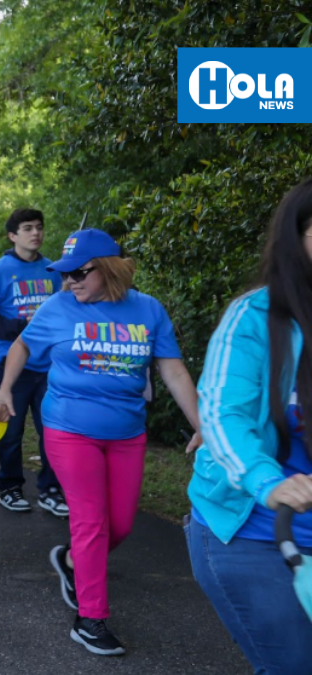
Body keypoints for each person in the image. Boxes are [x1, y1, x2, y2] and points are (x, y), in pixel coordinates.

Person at [0, 228, 200, 657]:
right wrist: (5, 389)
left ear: (109, 269)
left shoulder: (148, 311)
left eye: (80, 274)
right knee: (90, 522)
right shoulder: (58, 307)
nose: (71, 282)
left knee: (119, 525)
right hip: (69, 429)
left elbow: (172, 371)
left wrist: (202, 424)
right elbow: (21, 347)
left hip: (126, 434)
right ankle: (90, 619)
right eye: (65, 275)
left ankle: (70, 562)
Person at [187, 179, 312, 673]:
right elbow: (223, 415)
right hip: (251, 530)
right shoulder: (253, 317)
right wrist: (270, 483)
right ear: (295, 239)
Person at [0, 209, 68, 516]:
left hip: (49, 365)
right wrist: (22, 328)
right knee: (11, 431)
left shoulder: (53, 270)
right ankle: (10, 487)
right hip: (10, 362)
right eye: (28, 228)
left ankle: (50, 490)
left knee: (51, 429)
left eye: (39, 228)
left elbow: (63, 314)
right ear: (12, 236)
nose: (35, 233)